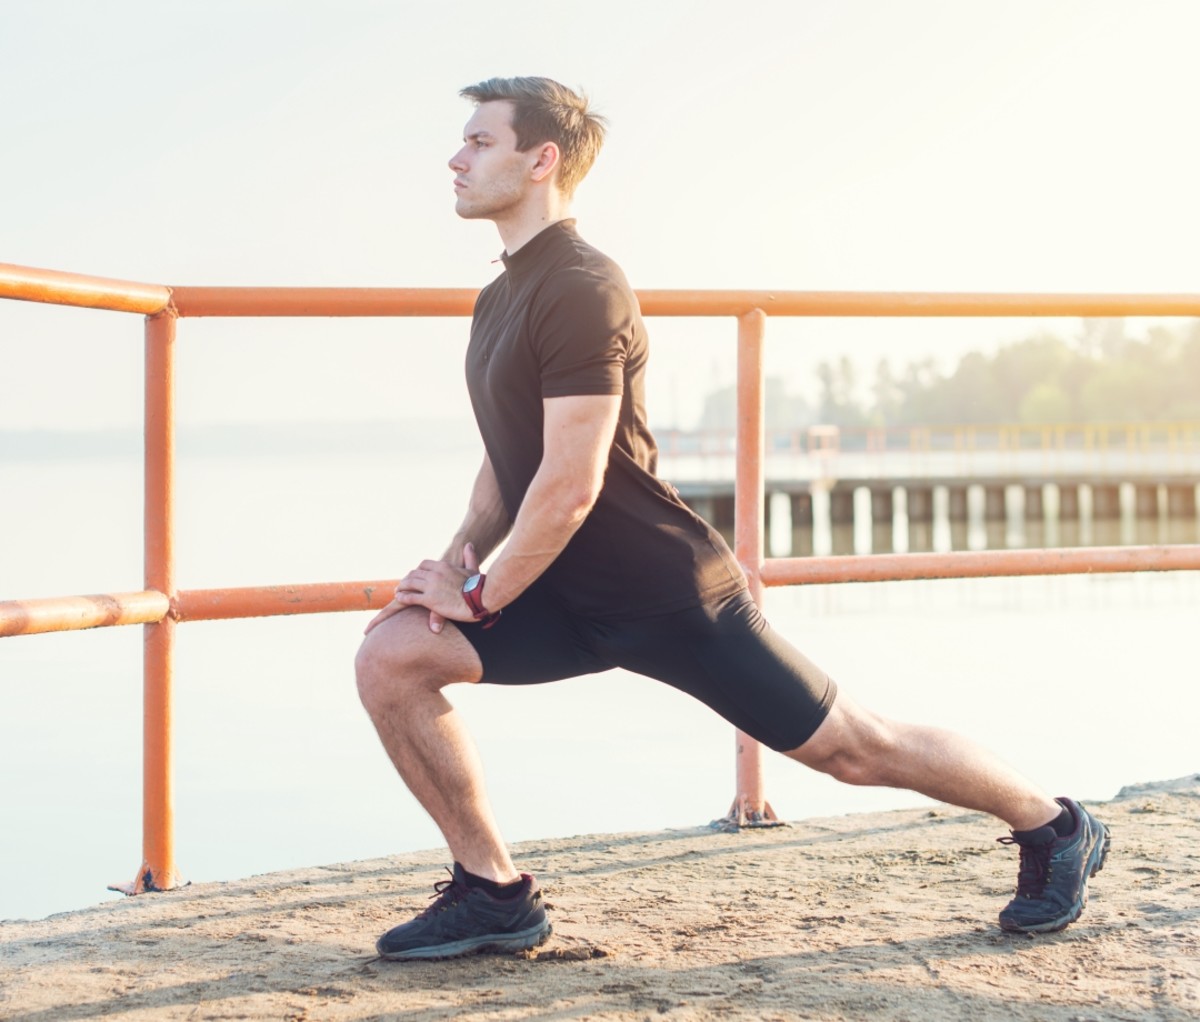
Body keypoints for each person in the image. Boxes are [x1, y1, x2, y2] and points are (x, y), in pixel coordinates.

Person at [354, 76, 1110, 961]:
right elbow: (508, 457)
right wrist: (450, 567)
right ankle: (493, 893)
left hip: (666, 592)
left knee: (854, 749)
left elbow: (569, 481)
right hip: (557, 594)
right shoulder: (499, 299)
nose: (456, 157)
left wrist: (478, 598)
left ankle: (1053, 825)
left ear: (541, 159)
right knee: (393, 655)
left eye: (480, 141)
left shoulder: (583, 285)